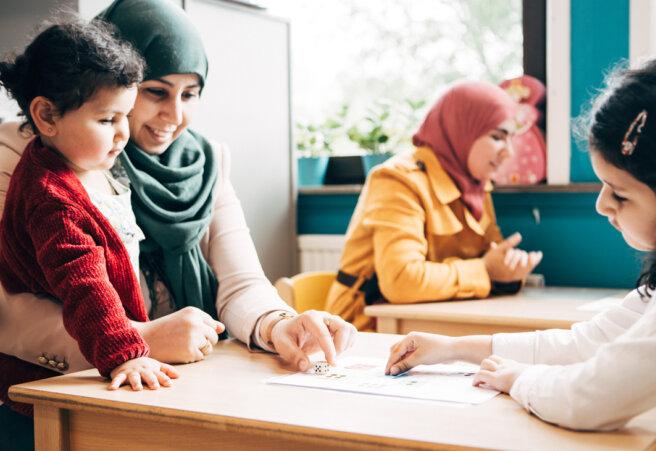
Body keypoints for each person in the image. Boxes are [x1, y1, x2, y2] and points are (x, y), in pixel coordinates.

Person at [384, 49, 656, 450]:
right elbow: (587, 343)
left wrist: (518, 378)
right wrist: (455, 348)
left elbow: (590, 399)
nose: (602, 205)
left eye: (619, 193)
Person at [0, 0, 356, 446]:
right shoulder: (33, 155)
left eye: (189, 95)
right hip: (80, 386)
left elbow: (240, 280)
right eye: (156, 92)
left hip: (182, 380)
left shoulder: (205, 160)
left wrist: (278, 325)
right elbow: (18, 307)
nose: (173, 116)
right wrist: (141, 340)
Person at [0, 14, 180, 410]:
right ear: (47, 116)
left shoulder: (88, 163)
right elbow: (84, 284)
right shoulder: (50, 198)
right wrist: (126, 353)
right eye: (106, 119)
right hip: (49, 388)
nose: (123, 134)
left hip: (98, 360)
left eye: (124, 117)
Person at [325, 80, 544, 331]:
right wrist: (486, 270)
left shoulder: (476, 184)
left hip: (430, 325)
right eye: (497, 137)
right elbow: (401, 280)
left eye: (511, 139)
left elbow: (492, 256)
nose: (509, 152)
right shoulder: (398, 179)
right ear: (462, 130)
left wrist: (508, 268)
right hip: (361, 330)